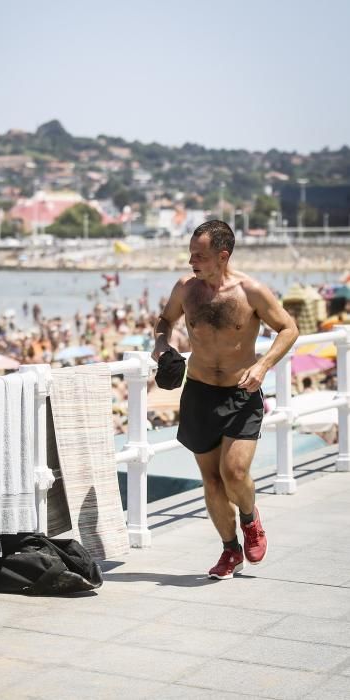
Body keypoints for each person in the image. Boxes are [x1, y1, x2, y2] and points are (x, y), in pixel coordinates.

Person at [152, 220, 299, 580]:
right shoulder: (186, 289)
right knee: (212, 481)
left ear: (223, 255)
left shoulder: (250, 291)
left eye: (199, 255)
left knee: (233, 472)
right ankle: (230, 550)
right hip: (199, 393)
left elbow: (289, 328)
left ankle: (250, 520)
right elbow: (164, 321)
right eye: (190, 254)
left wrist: (263, 366)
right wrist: (161, 346)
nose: (191, 262)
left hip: (241, 394)